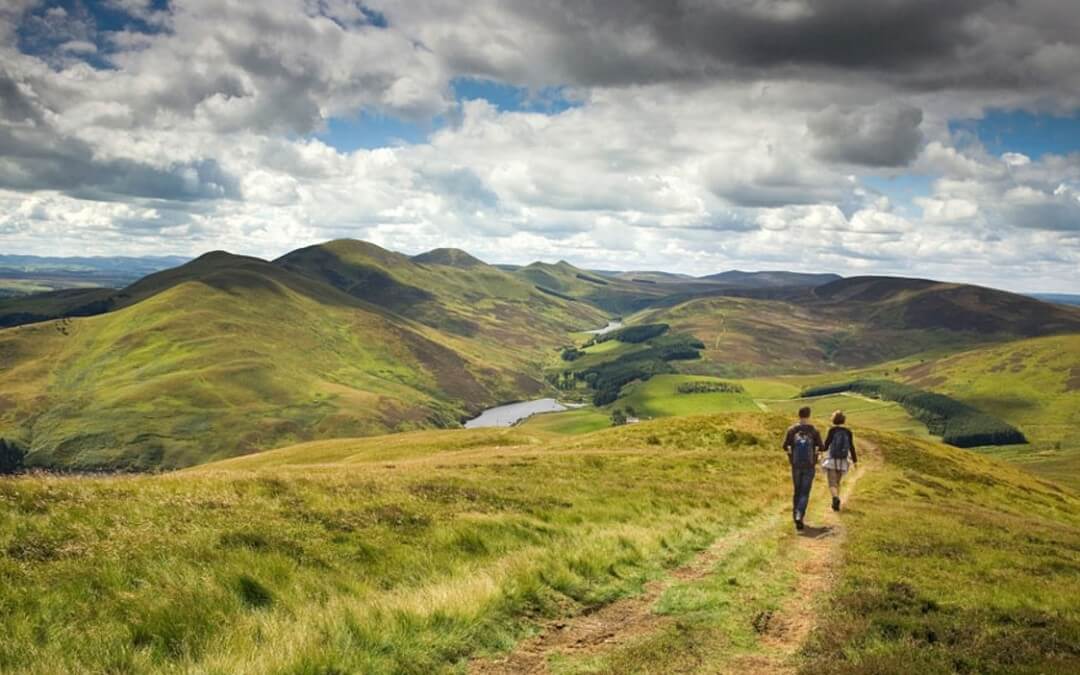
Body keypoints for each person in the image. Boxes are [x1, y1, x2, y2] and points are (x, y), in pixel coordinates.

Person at [782, 406, 824, 530]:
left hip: (796, 465)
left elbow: (785, 446)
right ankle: (800, 514)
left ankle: (795, 516)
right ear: (809, 415)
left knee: (797, 491)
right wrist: (816, 454)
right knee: (805, 492)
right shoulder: (814, 430)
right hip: (809, 465)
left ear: (798, 415)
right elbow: (822, 447)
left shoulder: (792, 430)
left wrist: (791, 455)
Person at [822, 410, 858, 511]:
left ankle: (835, 498)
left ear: (833, 420)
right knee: (838, 482)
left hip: (832, 460)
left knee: (832, 482)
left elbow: (825, 446)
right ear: (843, 420)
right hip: (843, 461)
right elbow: (851, 447)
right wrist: (855, 461)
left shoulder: (832, 430)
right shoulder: (848, 432)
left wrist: (818, 450)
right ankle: (836, 502)